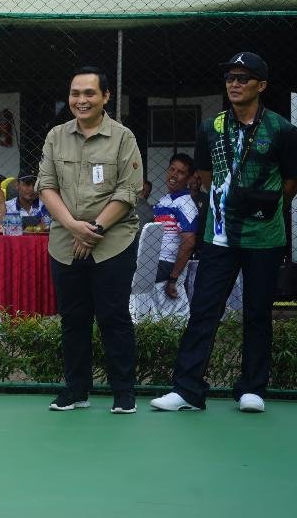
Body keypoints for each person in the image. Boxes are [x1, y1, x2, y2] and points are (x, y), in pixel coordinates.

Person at [151, 53, 297, 414]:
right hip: (218, 236)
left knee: (258, 312)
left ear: (261, 86)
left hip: (264, 237)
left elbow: (292, 182)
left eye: (243, 78)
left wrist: (262, 207)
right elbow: (203, 175)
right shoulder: (210, 127)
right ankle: (187, 391)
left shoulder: (282, 129)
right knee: (203, 309)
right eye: (230, 77)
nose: (234, 83)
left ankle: (252, 389)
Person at [37, 65, 142, 414]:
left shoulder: (123, 137)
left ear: (105, 97)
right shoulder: (56, 136)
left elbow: (129, 191)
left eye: (89, 93)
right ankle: (76, 389)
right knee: (73, 318)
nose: (81, 100)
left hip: (113, 241)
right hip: (66, 241)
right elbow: (47, 187)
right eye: (75, 93)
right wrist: (73, 227)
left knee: (113, 316)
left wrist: (93, 229)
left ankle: (124, 392)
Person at [151, 153, 198, 301]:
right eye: (172, 169)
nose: (174, 175)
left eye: (181, 172)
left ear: (189, 179)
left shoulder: (186, 204)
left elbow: (189, 243)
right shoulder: (163, 200)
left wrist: (173, 278)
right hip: (152, 258)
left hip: (166, 262)